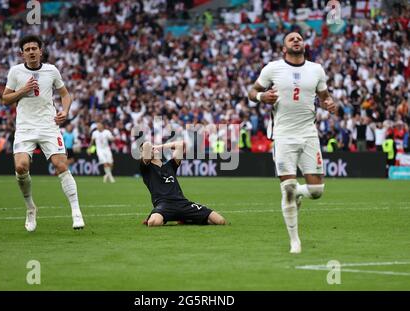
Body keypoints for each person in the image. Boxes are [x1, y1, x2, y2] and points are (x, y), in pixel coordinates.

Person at [248, 31, 337, 253]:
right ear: (284, 48)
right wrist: (261, 97)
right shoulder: (272, 68)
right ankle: (295, 241)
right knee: (287, 187)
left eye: (299, 38)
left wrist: (328, 103)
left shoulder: (316, 69)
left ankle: (299, 192)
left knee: (316, 191)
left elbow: (325, 96)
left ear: (304, 45)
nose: (296, 40)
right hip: (283, 135)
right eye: (291, 39)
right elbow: (252, 91)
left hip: (309, 134)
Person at [1, 35, 85, 232]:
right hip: (25, 127)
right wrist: (23, 90)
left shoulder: (51, 70)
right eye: (27, 49)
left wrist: (65, 111)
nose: (31, 51)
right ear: (22, 53)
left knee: (61, 164)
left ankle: (76, 212)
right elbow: (5, 99)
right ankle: (30, 207)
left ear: (40, 50)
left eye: (34, 48)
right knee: (21, 167)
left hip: (48, 126)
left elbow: (65, 94)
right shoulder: (15, 72)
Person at [139, 140, 226, 226]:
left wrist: (160, 147)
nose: (152, 148)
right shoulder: (146, 168)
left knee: (220, 221)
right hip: (164, 205)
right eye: (149, 149)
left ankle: (186, 219)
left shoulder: (170, 165)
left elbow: (180, 144)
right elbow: (146, 145)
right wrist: (149, 149)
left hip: (182, 203)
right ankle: (166, 217)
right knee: (153, 222)